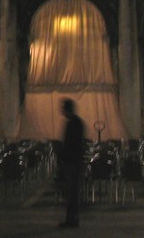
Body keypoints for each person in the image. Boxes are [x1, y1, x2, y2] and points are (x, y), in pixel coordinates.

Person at [58, 98, 85, 229]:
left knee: (72, 192)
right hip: (75, 161)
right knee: (73, 192)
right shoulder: (78, 122)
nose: (62, 110)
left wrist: (63, 159)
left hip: (72, 162)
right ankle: (72, 218)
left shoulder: (72, 123)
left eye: (63, 108)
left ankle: (72, 219)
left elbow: (70, 144)